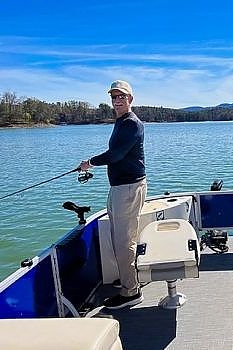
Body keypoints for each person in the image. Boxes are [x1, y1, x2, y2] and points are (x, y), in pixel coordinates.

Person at [79, 80, 147, 309]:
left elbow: (116, 155)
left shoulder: (131, 124)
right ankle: (129, 278)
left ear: (131, 99)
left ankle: (131, 292)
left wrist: (90, 163)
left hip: (128, 189)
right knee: (121, 237)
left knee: (123, 241)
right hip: (120, 187)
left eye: (122, 96)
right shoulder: (121, 122)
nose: (118, 100)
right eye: (114, 97)